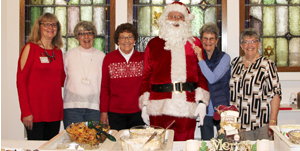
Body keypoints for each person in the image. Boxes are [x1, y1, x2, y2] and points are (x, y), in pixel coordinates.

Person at [139, 1, 210, 141]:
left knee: (184, 146)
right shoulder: (153, 44)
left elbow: (201, 73)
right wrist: (145, 104)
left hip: (186, 106)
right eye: (172, 16)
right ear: (165, 19)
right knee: (159, 147)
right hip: (158, 106)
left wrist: (202, 102)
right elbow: (146, 75)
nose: (176, 20)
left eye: (180, 17)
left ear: (186, 20)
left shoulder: (195, 43)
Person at [17, 13, 65, 140]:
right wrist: (26, 111)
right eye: (46, 24)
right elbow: (20, 82)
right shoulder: (30, 48)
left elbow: (63, 80)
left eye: (54, 25)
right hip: (35, 112)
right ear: (39, 27)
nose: (50, 27)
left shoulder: (58, 52)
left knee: (51, 147)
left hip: (54, 111)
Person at [230, 28, 282, 140]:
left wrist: (273, 121)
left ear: (259, 44)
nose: (250, 45)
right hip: (239, 124)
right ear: (241, 45)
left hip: (261, 124)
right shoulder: (235, 63)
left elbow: (275, 94)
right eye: (246, 42)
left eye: (253, 41)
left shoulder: (267, 64)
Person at [100, 23, 145, 131]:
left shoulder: (142, 58)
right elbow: (105, 87)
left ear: (134, 40)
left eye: (129, 37)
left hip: (138, 112)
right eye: (122, 37)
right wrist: (103, 112)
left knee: (137, 144)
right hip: (115, 113)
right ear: (118, 41)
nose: (126, 40)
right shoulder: (109, 58)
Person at [63, 21, 105, 128]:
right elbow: (62, 79)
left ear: (94, 36)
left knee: (92, 142)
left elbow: (105, 85)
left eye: (89, 33)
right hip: (72, 108)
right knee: (74, 141)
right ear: (77, 37)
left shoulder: (102, 56)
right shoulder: (69, 55)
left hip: (94, 108)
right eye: (82, 33)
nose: (86, 37)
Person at [194, 22, 231, 140]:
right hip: (204, 109)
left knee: (224, 144)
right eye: (205, 38)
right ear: (201, 40)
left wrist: (200, 59)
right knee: (206, 144)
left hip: (222, 108)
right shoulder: (196, 57)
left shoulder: (225, 58)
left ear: (216, 41)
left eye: (211, 39)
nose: (208, 41)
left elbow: (212, 78)